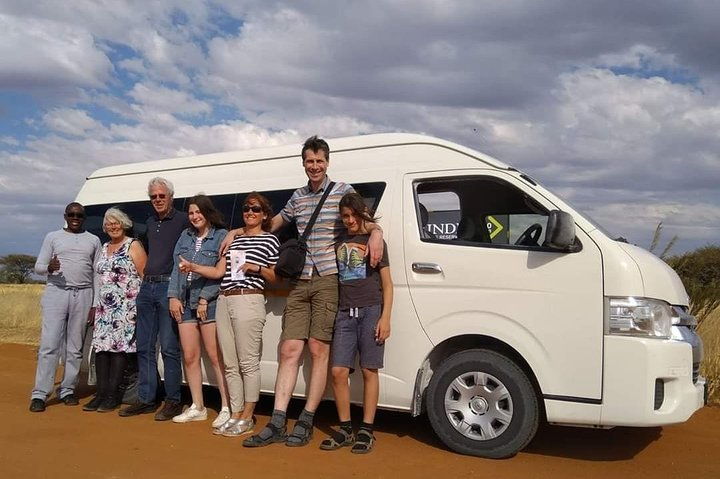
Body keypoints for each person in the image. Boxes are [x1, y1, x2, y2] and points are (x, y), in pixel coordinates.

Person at [219, 135, 384, 447]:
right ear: (304, 163)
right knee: (289, 349)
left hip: (329, 279)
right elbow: (272, 225)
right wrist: (237, 229)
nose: (314, 166)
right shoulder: (297, 196)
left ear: (328, 162)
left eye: (319, 161)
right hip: (299, 280)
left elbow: (362, 220)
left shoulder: (342, 191)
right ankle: (278, 420)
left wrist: (377, 233)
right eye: (309, 161)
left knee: (320, 350)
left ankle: (306, 419)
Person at [180, 192, 279, 437]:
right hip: (225, 299)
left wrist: (255, 267)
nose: (250, 213)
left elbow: (276, 277)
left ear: (264, 214)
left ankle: (247, 416)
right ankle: (235, 413)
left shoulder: (269, 240)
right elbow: (217, 272)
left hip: (250, 298)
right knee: (231, 365)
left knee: (248, 363)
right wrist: (193, 267)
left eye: (255, 209)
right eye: (246, 209)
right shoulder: (233, 239)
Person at [319, 192, 392, 454]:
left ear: (362, 213)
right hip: (344, 312)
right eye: (345, 216)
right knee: (338, 371)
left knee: (369, 370)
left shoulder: (376, 242)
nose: (349, 221)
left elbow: (387, 284)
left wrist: (385, 317)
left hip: (371, 310)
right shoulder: (340, 239)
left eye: (353, 215)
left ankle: (367, 431)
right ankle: (345, 428)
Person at [120, 177, 188, 421]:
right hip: (146, 288)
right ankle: (146, 398)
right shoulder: (149, 222)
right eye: (153, 197)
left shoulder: (182, 219)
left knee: (169, 347)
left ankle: (172, 401)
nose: (158, 200)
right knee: (144, 346)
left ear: (171, 197)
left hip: (168, 286)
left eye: (162, 196)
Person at [30, 202, 102, 412]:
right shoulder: (52, 237)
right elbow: (38, 267)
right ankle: (40, 393)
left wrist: (95, 304)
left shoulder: (93, 240)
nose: (75, 217)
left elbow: (97, 273)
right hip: (57, 292)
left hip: (83, 293)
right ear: (65, 216)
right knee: (49, 345)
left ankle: (68, 389)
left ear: (84, 217)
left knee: (75, 347)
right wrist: (48, 268)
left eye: (79, 215)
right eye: (71, 214)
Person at [167, 195, 231, 427]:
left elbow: (220, 272)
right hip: (184, 302)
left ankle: (227, 406)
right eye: (191, 213)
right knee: (190, 356)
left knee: (215, 356)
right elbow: (177, 268)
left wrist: (205, 298)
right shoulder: (185, 236)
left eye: (198, 212)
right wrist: (173, 296)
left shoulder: (221, 236)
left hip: (209, 303)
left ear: (207, 212)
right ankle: (198, 406)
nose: (194, 216)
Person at [84, 208, 147, 412]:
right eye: (109, 223)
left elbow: (144, 275)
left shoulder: (133, 245)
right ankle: (100, 394)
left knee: (119, 350)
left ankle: (112, 396)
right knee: (102, 350)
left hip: (125, 306)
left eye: (116, 222)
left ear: (124, 223)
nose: (113, 226)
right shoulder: (104, 247)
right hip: (104, 307)